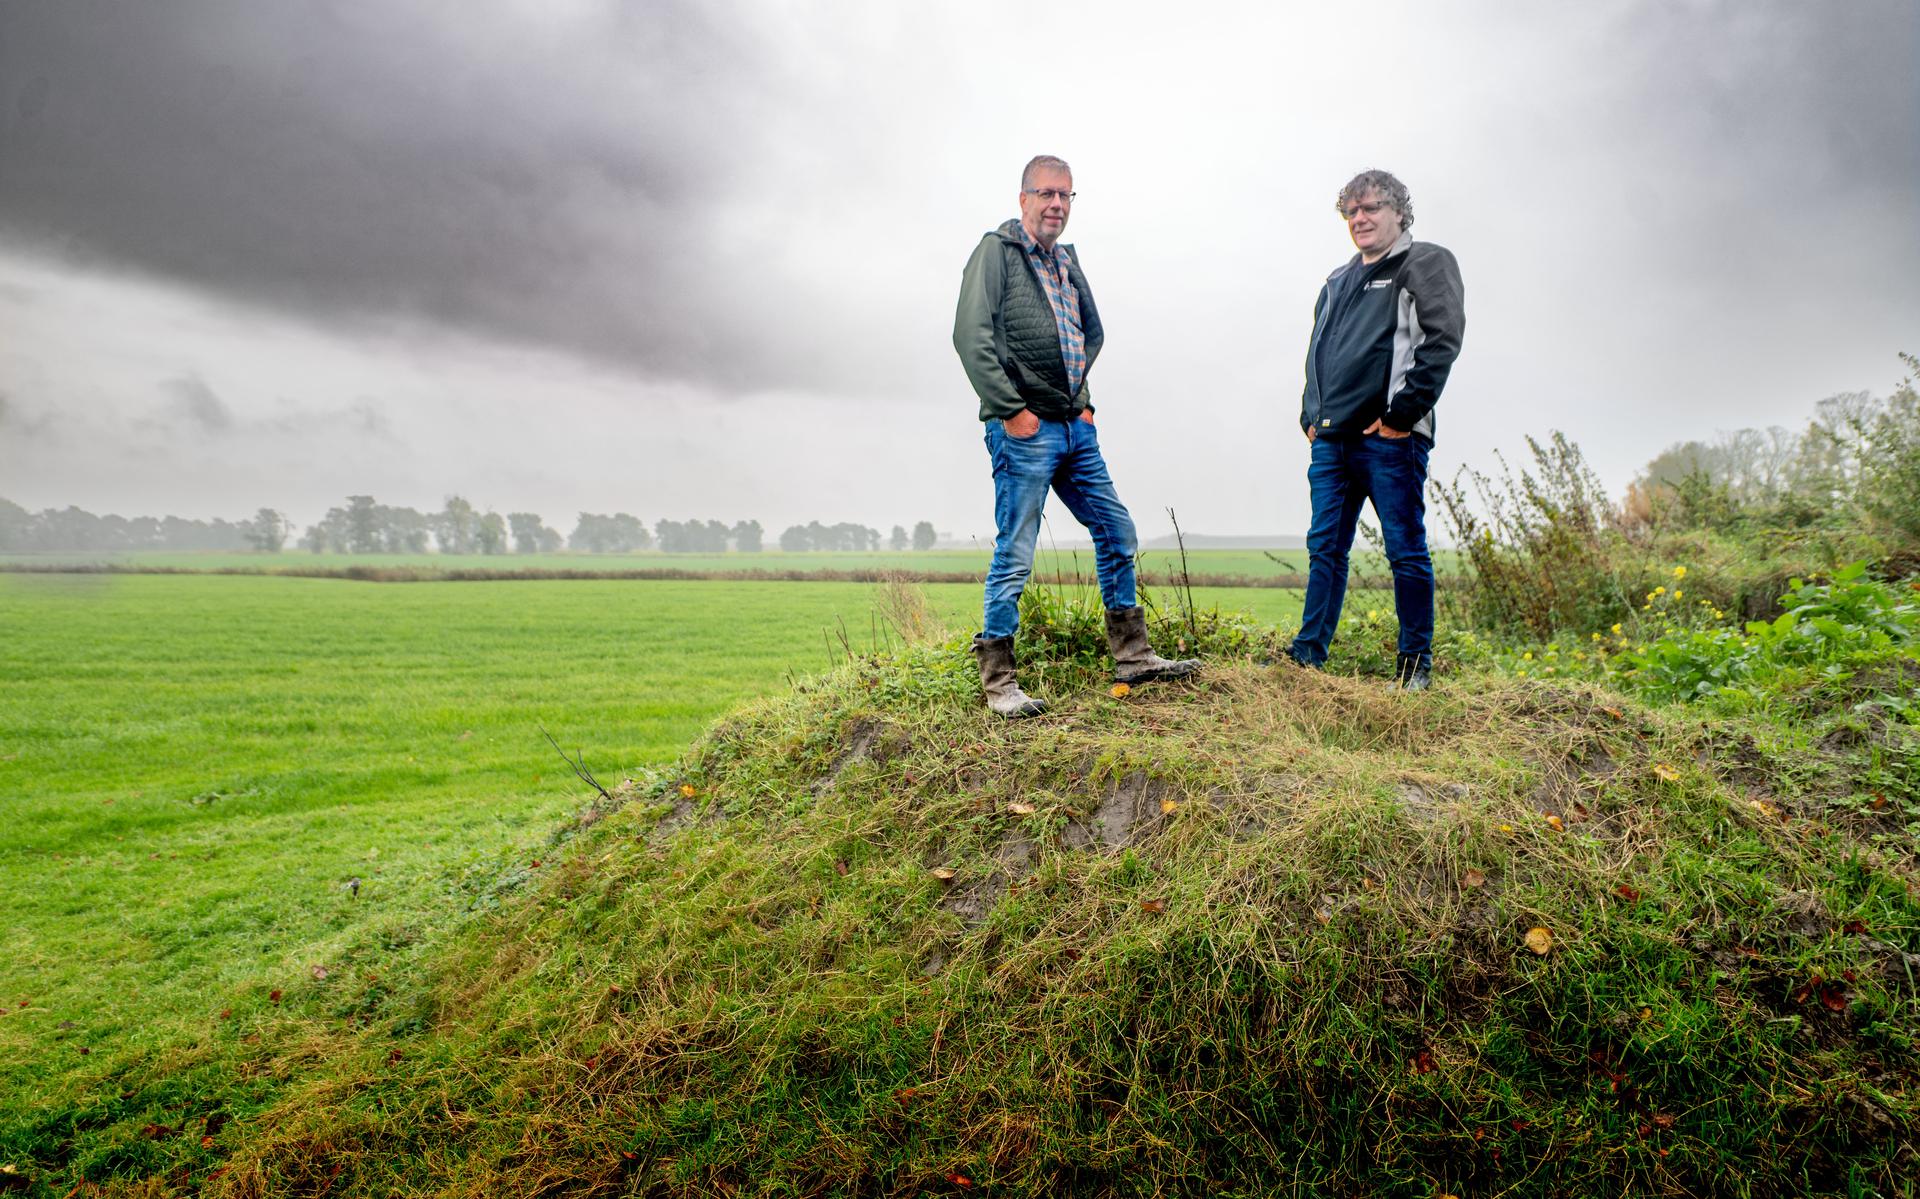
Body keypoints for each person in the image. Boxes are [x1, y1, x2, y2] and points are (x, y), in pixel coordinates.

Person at [952, 154, 1197, 717]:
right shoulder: (997, 252)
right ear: (1023, 199)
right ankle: (999, 682)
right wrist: (1011, 409)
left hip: (1073, 428)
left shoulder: (1066, 261)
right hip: (1025, 429)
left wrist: (1081, 402)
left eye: (1065, 196)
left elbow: (1089, 334)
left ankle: (1133, 658)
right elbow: (971, 336)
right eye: (1046, 194)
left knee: (1116, 528)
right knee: (1016, 548)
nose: (1056, 205)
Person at [1288, 169, 1465, 691]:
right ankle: (1306, 660)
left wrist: (1399, 416)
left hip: (1391, 440)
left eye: (1372, 208)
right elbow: (1319, 353)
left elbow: (1442, 341)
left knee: (1404, 550)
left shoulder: (1425, 263)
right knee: (1326, 549)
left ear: (1399, 212)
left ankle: (1415, 668)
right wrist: (1310, 415)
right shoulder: (1337, 281)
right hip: (1332, 442)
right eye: (1352, 211)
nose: (1360, 219)